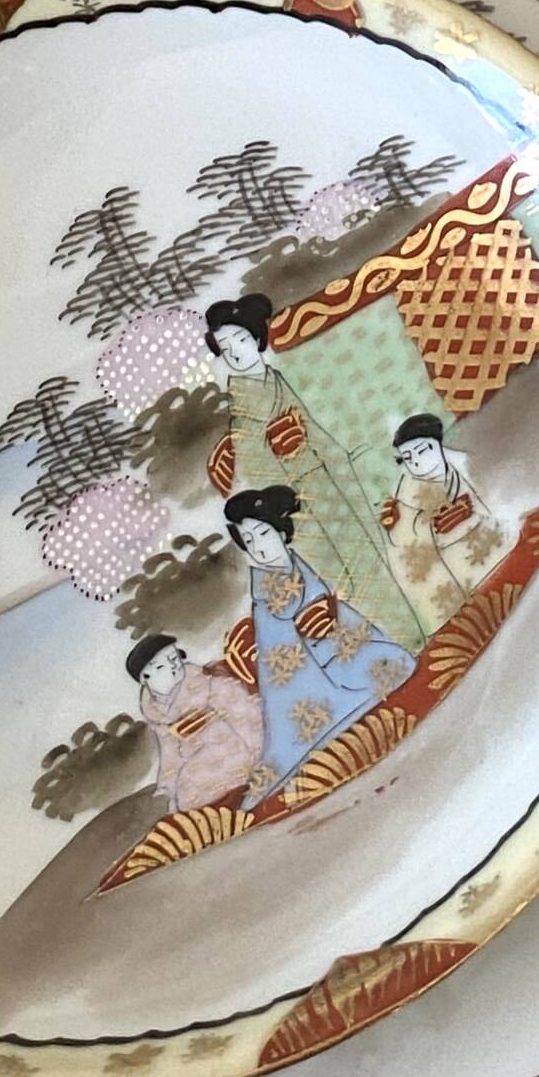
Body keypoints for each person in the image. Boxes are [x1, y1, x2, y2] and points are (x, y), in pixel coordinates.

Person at [202, 292, 425, 652]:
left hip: (328, 483)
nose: (237, 352)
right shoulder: (243, 409)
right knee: (343, 582)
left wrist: (350, 478)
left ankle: (412, 639)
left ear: (257, 339)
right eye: (227, 348)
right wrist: (284, 474)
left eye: (242, 340)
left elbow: (318, 437)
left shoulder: (275, 381)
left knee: (371, 561)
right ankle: (388, 655)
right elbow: (256, 466)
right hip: (295, 507)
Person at [221, 485, 416, 787]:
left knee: (394, 662)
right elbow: (282, 642)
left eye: (263, 534)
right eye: (249, 541)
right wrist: (312, 624)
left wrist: (331, 614)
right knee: (319, 717)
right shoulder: (264, 592)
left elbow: (330, 607)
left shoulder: (298, 563)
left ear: (281, 532)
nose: (258, 547)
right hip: (304, 678)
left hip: (337, 647)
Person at [380, 412, 509, 626]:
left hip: (484, 543)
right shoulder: (407, 492)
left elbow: (486, 499)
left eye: (422, 452)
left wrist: (466, 512)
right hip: (446, 563)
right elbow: (407, 541)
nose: (418, 464)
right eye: (409, 458)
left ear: (436, 446)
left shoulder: (461, 465)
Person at [126, 632, 268, 812]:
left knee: (192, 784)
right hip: (194, 766)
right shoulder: (158, 715)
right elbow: (170, 753)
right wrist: (167, 788)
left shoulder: (208, 684)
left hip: (232, 752)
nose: (173, 668)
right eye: (162, 666)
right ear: (145, 678)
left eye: (174, 659)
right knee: (186, 795)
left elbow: (245, 714)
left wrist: (258, 756)